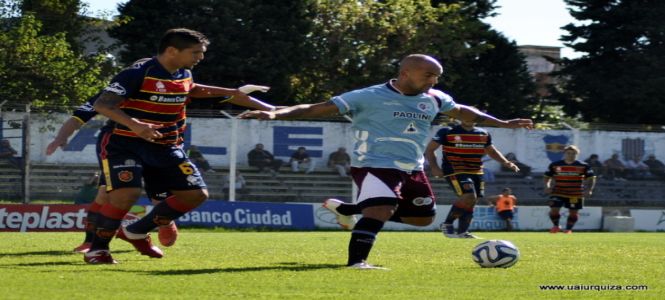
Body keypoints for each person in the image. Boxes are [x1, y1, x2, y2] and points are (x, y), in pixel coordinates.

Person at [240, 54, 533, 269]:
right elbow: (317, 108)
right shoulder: (368, 96)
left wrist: (505, 123)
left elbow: (467, 113)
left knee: (423, 219)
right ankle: (357, 263)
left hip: (412, 167)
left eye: (437, 76)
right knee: (382, 209)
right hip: (374, 162)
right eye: (429, 75)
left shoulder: (434, 98)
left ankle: (347, 209)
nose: (434, 81)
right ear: (406, 73)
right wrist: (276, 113)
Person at [86, 28, 276, 264]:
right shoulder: (137, 73)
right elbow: (103, 105)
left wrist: (257, 103)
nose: (201, 57)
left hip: (164, 146)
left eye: (201, 52)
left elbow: (192, 89)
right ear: (172, 51)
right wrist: (135, 124)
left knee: (195, 195)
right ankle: (98, 249)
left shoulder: (183, 73)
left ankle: (135, 231)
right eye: (195, 52)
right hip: (125, 144)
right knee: (127, 194)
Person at [45, 88, 180, 254]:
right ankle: (91, 242)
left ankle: (165, 223)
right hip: (120, 150)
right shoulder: (114, 92)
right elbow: (78, 117)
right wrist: (61, 137)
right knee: (105, 194)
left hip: (157, 147)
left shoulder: (167, 92)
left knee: (160, 199)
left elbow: (189, 97)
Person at [424, 119, 520, 238]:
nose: (469, 117)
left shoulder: (483, 133)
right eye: (466, 115)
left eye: (473, 115)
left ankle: (463, 232)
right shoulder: (447, 131)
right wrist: (434, 167)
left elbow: (491, 151)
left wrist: (506, 162)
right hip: (455, 170)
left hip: (476, 171)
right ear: (460, 116)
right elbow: (430, 149)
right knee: (469, 195)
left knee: (472, 201)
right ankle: (447, 224)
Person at [544, 145, 596, 234]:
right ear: (564, 153)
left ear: (577, 154)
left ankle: (568, 229)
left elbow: (591, 178)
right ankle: (556, 226)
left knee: (573, 212)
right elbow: (547, 176)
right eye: (568, 153)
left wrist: (589, 189)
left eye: (573, 153)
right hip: (558, 191)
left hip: (575, 193)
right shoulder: (555, 165)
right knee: (554, 209)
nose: (570, 155)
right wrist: (547, 186)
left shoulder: (584, 166)